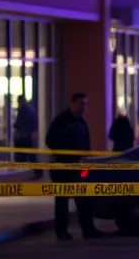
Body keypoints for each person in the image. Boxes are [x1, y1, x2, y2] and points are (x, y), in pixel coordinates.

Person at [46, 92, 102, 241]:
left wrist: (87, 159)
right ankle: (61, 231)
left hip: (79, 166)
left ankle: (88, 229)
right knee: (62, 201)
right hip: (63, 166)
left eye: (85, 104)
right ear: (73, 104)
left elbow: (85, 143)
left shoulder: (81, 123)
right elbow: (50, 140)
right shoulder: (61, 121)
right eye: (81, 104)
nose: (84, 107)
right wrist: (66, 153)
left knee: (83, 198)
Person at [13, 95, 41, 180]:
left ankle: (38, 171)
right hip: (27, 134)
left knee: (29, 154)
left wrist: (16, 125)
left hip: (24, 135)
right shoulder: (30, 110)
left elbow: (19, 123)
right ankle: (37, 170)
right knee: (30, 154)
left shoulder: (23, 110)